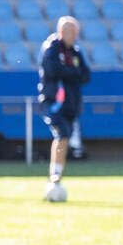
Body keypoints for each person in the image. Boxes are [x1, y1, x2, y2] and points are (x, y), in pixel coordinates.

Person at [39, 16, 91, 202]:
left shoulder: (75, 52)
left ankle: (56, 176)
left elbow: (86, 75)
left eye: (76, 32)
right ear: (62, 31)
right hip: (54, 103)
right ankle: (54, 176)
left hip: (71, 103)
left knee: (66, 137)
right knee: (61, 135)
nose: (74, 36)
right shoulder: (51, 49)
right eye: (71, 32)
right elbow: (54, 70)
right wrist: (72, 73)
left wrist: (70, 72)